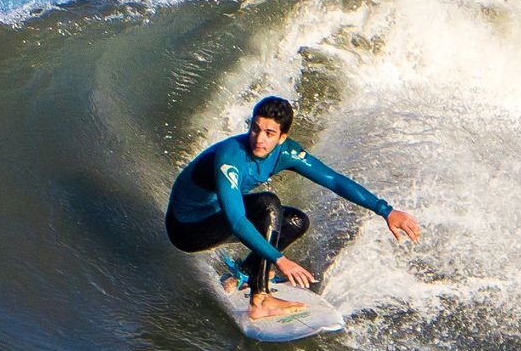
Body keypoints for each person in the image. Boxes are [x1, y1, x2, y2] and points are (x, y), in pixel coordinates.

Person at [166, 95, 420, 321]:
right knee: (268, 205)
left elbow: (333, 180)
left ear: (282, 137)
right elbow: (236, 221)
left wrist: (385, 210)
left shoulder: (287, 153)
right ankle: (260, 299)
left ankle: (243, 275)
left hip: (216, 216)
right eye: (255, 129)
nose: (259, 138)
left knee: (296, 220)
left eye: (269, 133)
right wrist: (280, 260)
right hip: (187, 227)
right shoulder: (230, 157)